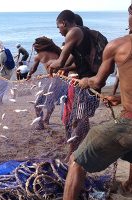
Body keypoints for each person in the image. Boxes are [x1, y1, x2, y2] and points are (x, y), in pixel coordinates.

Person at [42, 5, 132, 200]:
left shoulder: (120, 45)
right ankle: (129, 184)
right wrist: (119, 98)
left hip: (129, 122)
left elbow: (97, 81)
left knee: (76, 162)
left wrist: (84, 81)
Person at [48, 10, 101, 161]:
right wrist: (61, 68)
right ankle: (80, 147)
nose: (59, 31)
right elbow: (70, 60)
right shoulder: (83, 33)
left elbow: (61, 61)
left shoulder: (74, 32)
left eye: (59, 27)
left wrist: (51, 65)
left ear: (63, 23)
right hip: (89, 83)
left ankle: (72, 154)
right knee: (80, 118)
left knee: (80, 118)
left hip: (86, 84)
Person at [27, 36, 67, 129]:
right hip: (61, 82)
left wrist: (29, 75)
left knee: (38, 103)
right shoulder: (58, 52)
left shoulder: (38, 56)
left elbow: (33, 69)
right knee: (50, 102)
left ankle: (41, 123)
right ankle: (46, 119)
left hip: (54, 82)